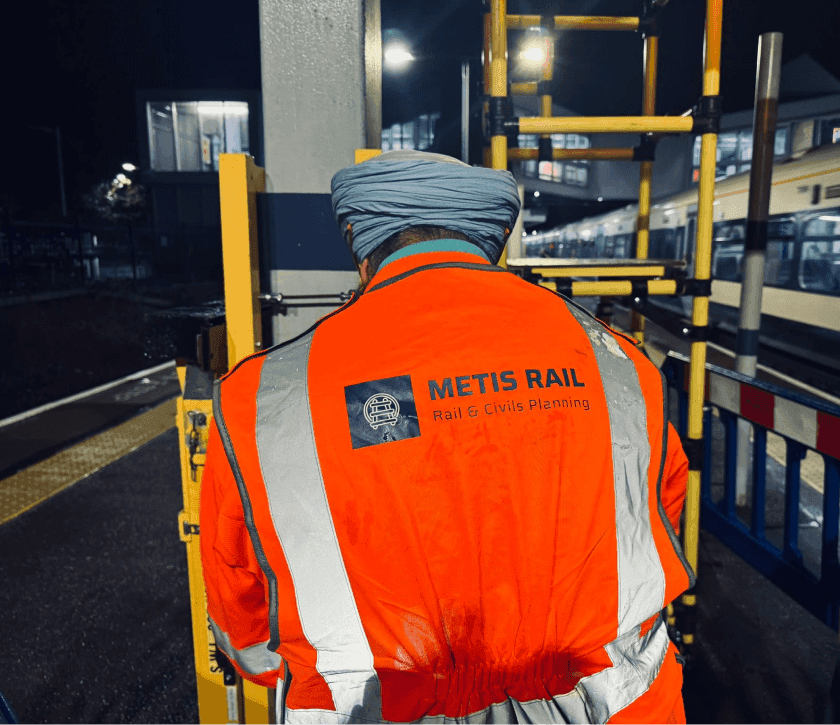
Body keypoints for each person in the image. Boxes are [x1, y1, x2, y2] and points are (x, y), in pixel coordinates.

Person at [200, 149, 694, 724]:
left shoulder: (263, 394)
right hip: (610, 707)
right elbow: (658, 512)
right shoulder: (619, 361)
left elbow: (239, 592)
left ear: (364, 251)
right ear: (492, 243)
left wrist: (275, 668)